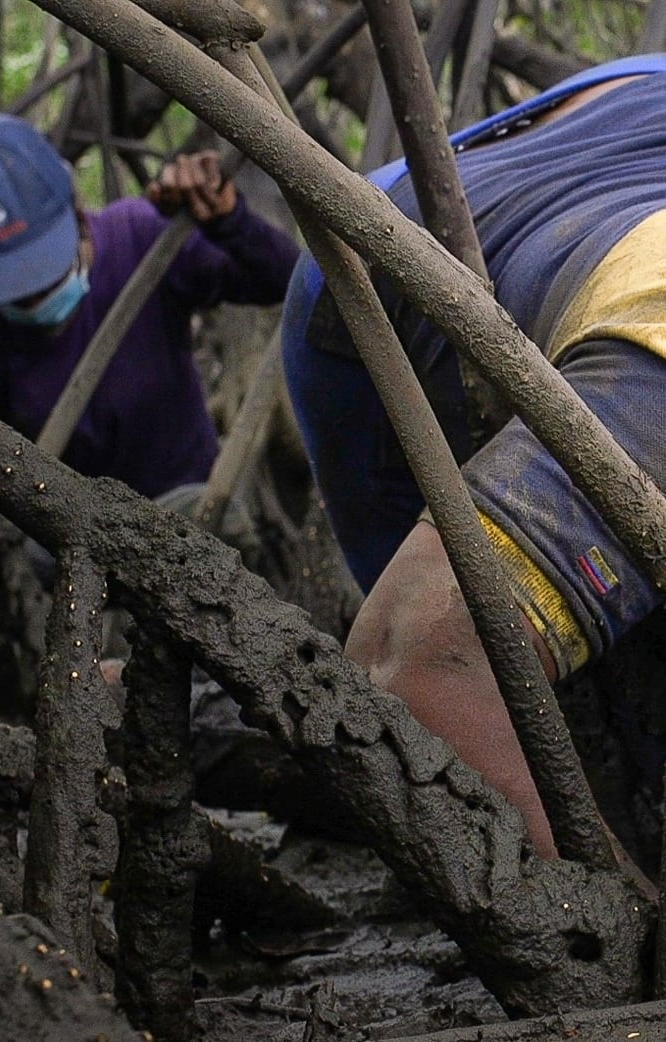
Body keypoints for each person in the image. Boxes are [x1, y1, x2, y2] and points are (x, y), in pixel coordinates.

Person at [281, 54, 666, 859]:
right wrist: (599, 920)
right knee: (437, 700)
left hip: (616, 105)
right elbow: (416, 661)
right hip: (386, 258)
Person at [0, 113, 300, 604]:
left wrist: (228, 220)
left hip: (191, 525)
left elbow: (284, 280)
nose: (34, 300)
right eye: (13, 288)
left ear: (77, 211)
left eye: (43, 274)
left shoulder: (141, 239)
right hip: (63, 553)